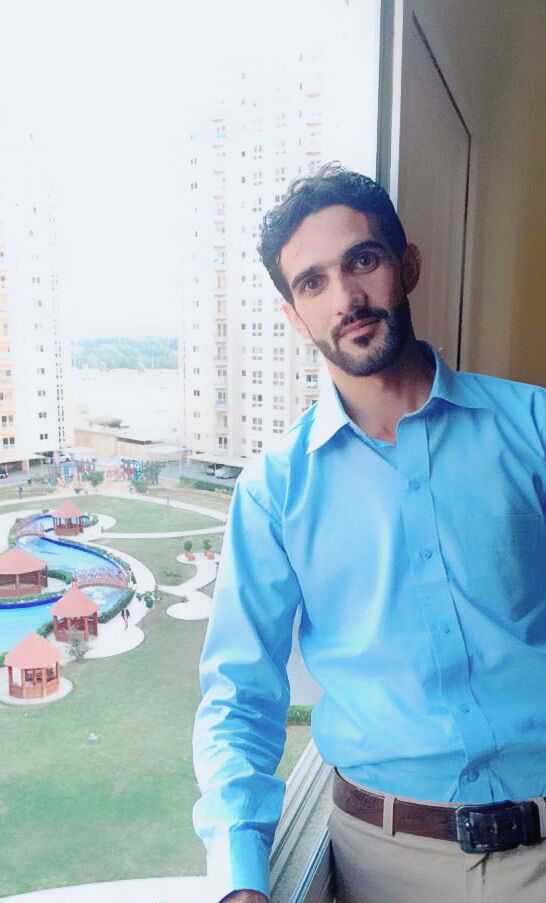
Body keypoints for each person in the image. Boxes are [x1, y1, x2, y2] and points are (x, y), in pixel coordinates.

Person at [192, 164, 546, 903]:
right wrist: (240, 878)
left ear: (406, 265)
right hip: (386, 864)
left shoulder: (534, 428)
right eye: (312, 282)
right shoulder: (274, 489)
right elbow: (239, 696)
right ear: (294, 316)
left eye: (362, 260)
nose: (346, 299)